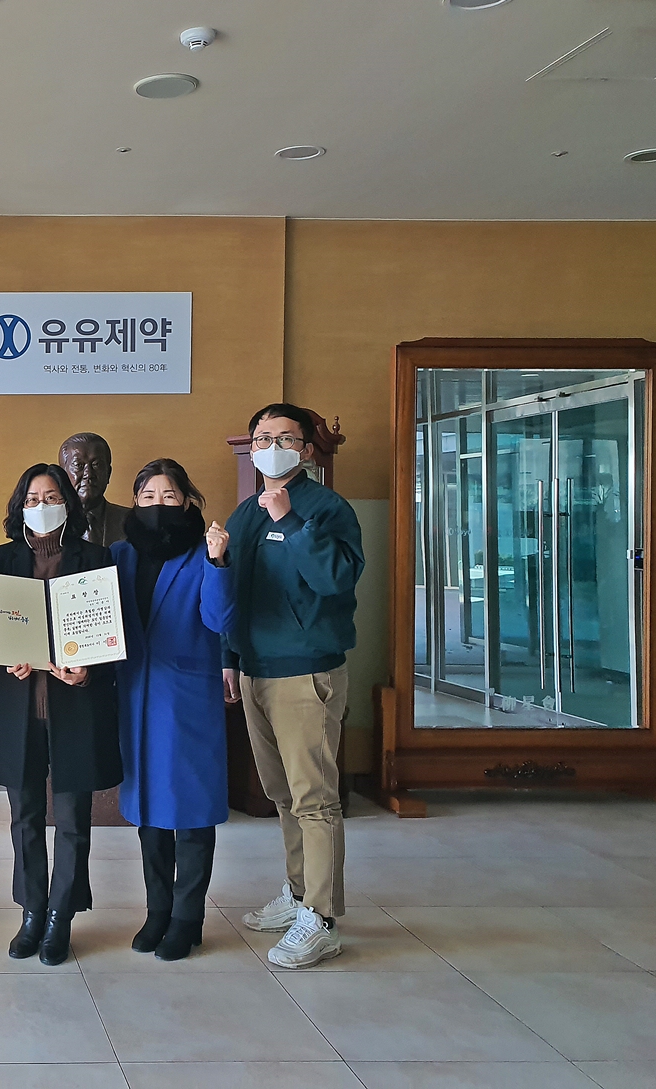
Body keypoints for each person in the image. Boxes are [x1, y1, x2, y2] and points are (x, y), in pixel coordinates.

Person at [224, 403, 364, 969]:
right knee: (281, 793)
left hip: (307, 670)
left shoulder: (326, 508)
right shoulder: (244, 513)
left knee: (315, 799)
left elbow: (336, 579)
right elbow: (233, 592)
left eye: (285, 438)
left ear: (306, 449)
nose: (272, 447)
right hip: (254, 669)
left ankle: (322, 918)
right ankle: (300, 891)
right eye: (262, 438)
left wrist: (290, 522)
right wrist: (230, 658)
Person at [0, 463, 122, 966]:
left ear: (69, 503)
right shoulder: (2, 558)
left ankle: (62, 914)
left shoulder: (95, 557)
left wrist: (89, 670)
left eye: (52, 497)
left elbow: (109, 633)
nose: (42, 507)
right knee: (24, 816)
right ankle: (32, 912)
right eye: (32, 499)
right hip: (19, 707)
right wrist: (5, 654)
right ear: (19, 507)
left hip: (75, 706)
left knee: (73, 819)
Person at [112, 459, 233, 961]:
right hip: (135, 695)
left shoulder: (205, 551)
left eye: (168, 496)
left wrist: (218, 563)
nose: (157, 505)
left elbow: (219, 618)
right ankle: (157, 911)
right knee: (149, 811)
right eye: (148, 496)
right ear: (135, 502)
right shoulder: (120, 554)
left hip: (186, 699)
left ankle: (188, 918)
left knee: (191, 809)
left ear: (187, 501)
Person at [59, 432, 130, 548]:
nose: (88, 474)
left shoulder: (131, 520)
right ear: (62, 474)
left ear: (108, 473)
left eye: (96, 464)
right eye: (78, 465)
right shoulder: (51, 523)